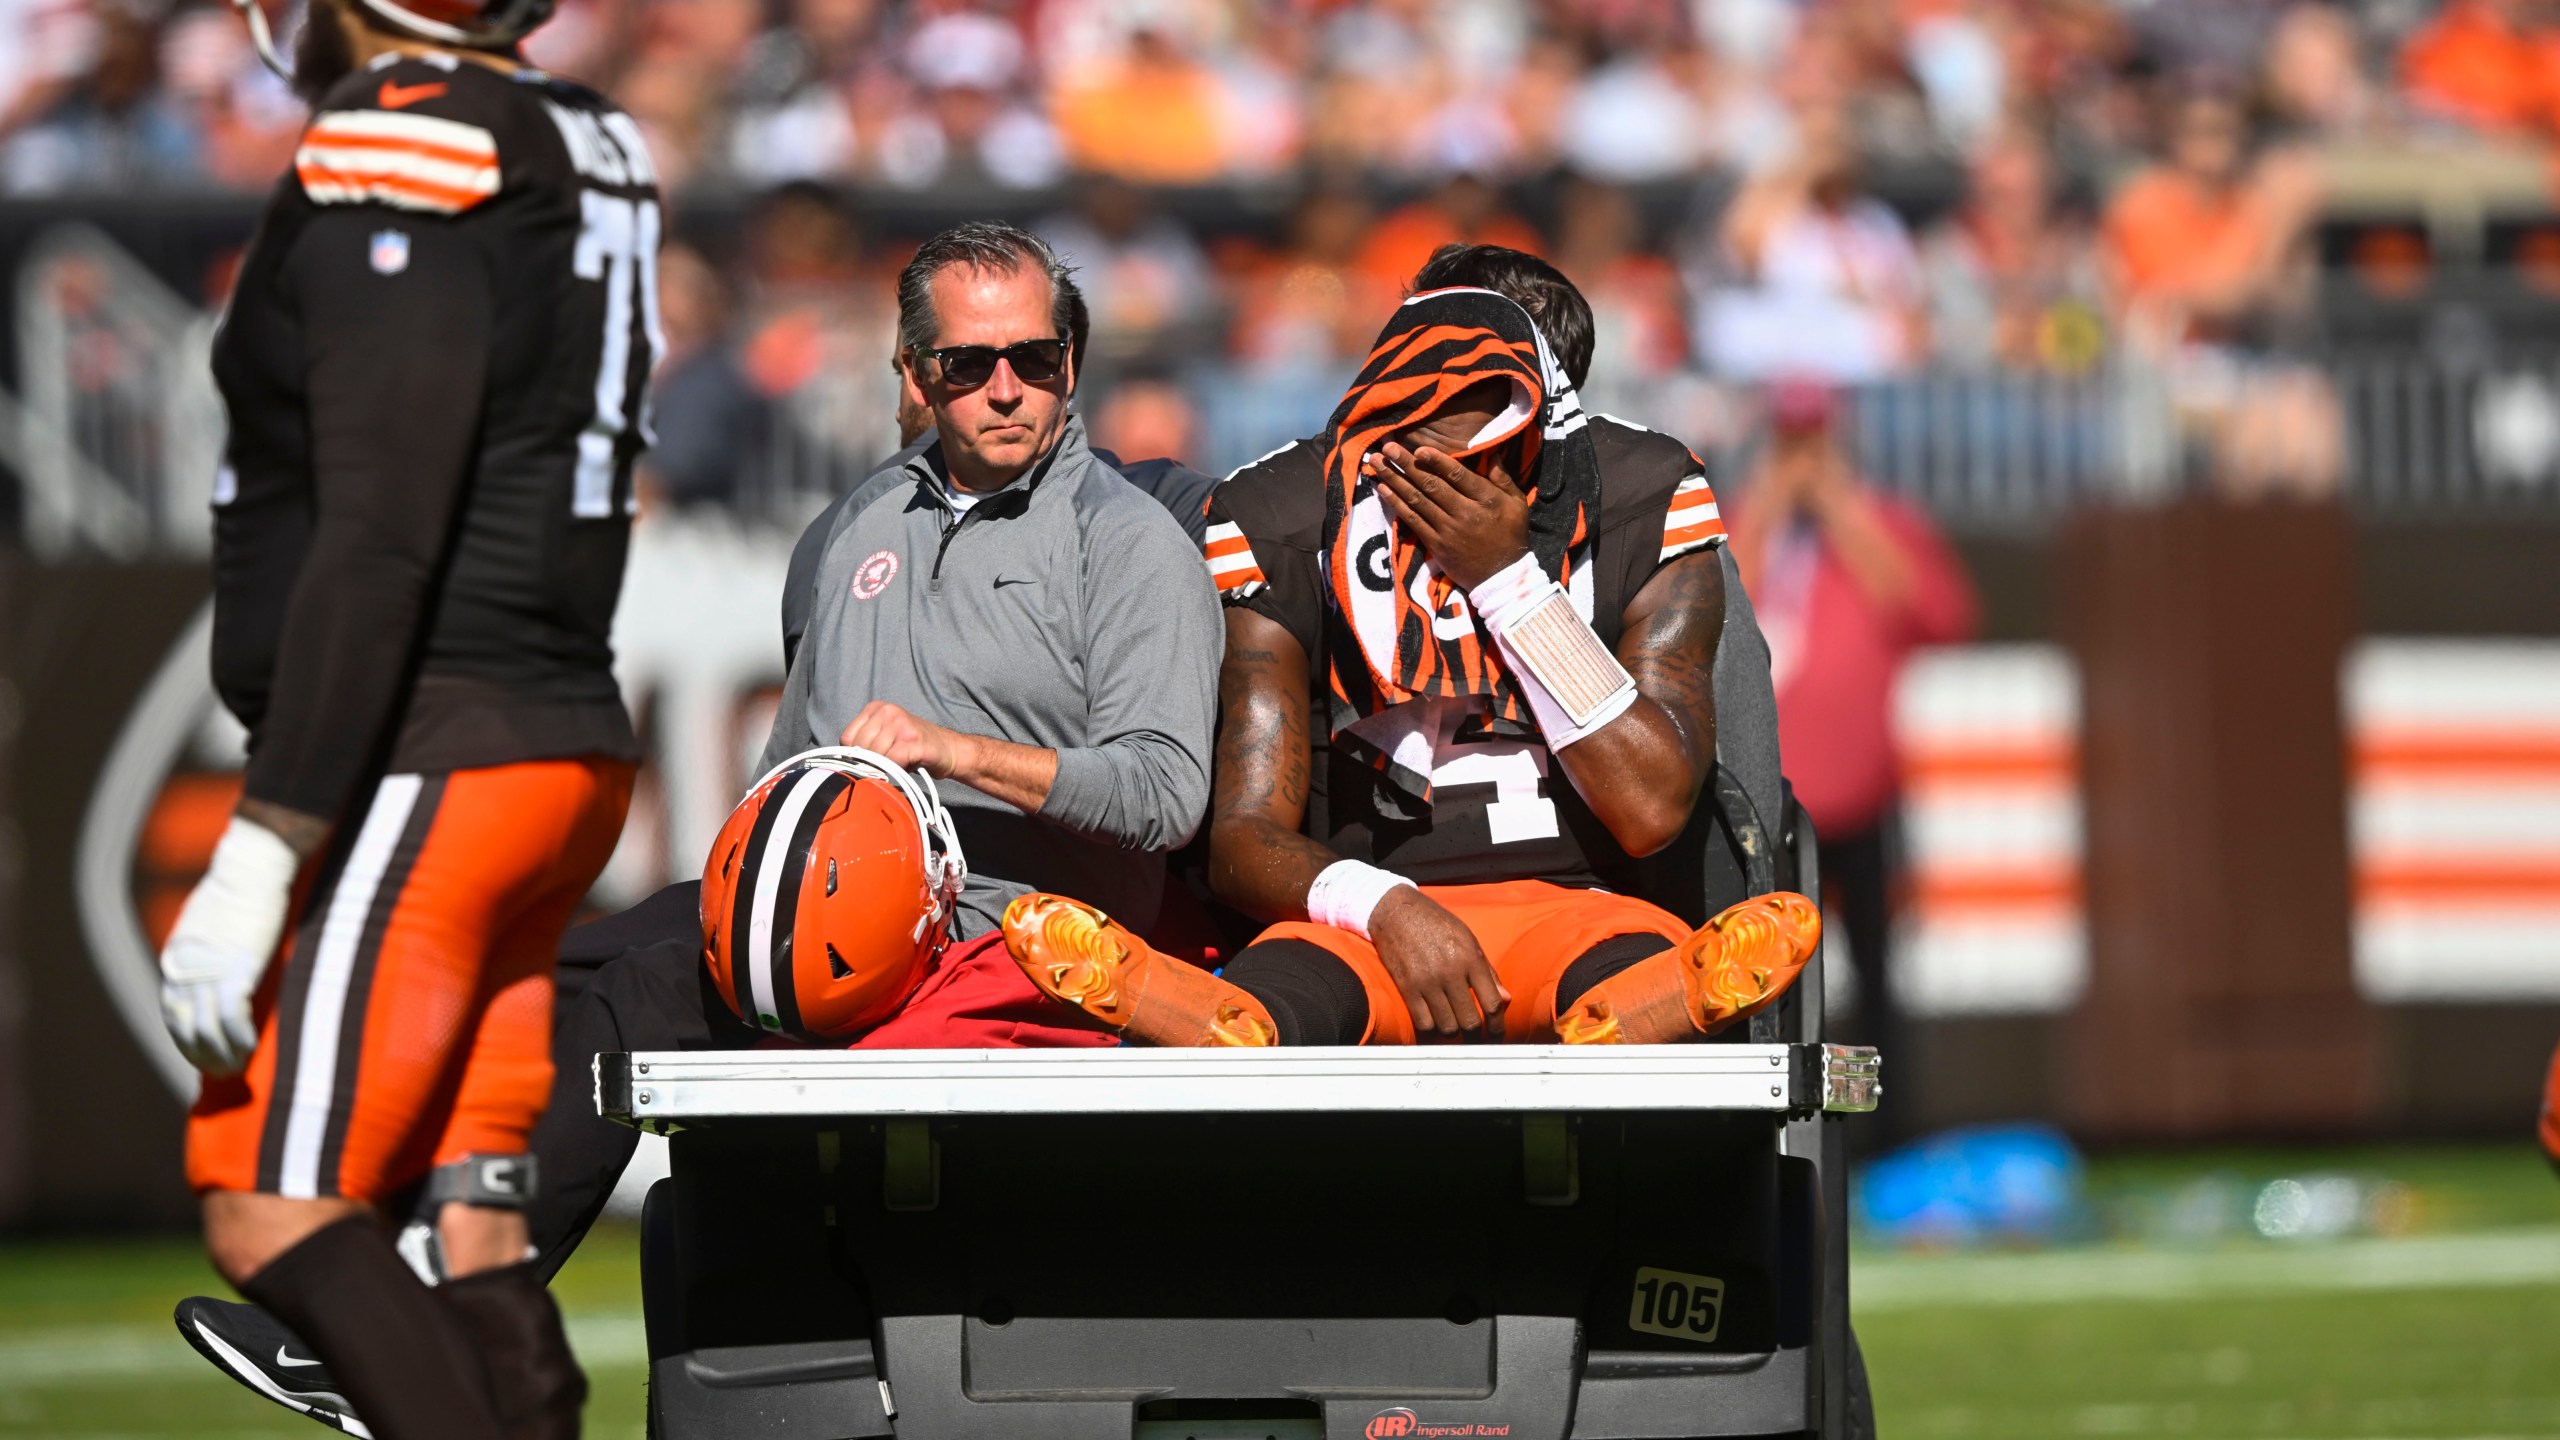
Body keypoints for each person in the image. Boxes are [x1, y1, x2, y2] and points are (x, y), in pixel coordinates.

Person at [172, 220, 1223, 1430]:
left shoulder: (1128, 547)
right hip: (846, 905)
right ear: (911, 371)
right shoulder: (853, 527)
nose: (1004, 387)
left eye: (1034, 359)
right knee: (529, 956)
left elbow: (1161, 796)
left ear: (1072, 364)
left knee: (653, 985)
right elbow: (795, 769)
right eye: (967, 363)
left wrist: (956, 751)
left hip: (1011, 938)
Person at [159, 0, 661, 1429]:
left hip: (443, 742)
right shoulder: (583, 130)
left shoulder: (413, 135)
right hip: (554, 728)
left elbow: (383, 525)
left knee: (269, 1204)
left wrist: (266, 839)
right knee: (477, 1230)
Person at [1005, 273, 1819, 1049]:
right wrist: (1384, 904)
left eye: (1486, 455)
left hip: (1585, 901)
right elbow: (1244, 836)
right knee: (1286, 995)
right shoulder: (1283, 516)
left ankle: (1652, 997)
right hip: (1369, 925)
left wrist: (1509, 583)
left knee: (1625, 966)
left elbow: (1650, 811)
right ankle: (1203, 1010)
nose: (1453, 486)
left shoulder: (1643, 492)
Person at [1724, 378, 1976, 1136]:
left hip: (1864, 794)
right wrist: (1768, 505)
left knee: (1878, 973)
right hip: (1767, 799)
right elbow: (1716, 607)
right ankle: (1772, 1127)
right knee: (1763, 970)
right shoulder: (1743, 525)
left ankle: (1889, 1133)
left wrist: (1843, 512)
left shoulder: (1883, 525)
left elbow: (1937, 615)